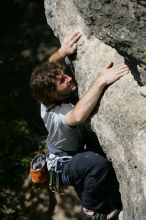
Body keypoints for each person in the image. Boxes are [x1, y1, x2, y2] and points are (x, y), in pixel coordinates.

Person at [30, 32, 129, 220]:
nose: (68, 78)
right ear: (52, 93)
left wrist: (61, 52)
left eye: (63, 75)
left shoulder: (45, 98)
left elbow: (50, 64)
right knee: (96, 163)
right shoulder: (56, 115)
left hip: (69, 157)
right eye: (61, 81)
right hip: (62, 167)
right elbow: (77, 116)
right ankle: (90, 212)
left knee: (91, 165)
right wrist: (101, 80)